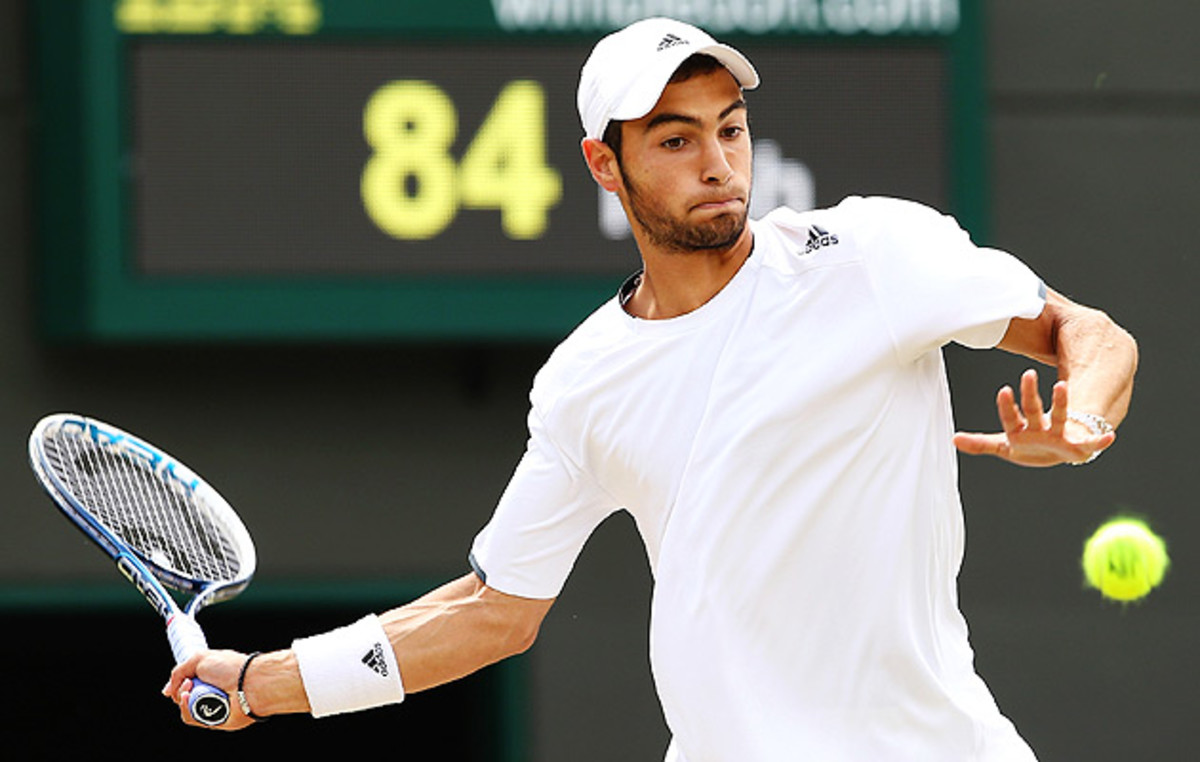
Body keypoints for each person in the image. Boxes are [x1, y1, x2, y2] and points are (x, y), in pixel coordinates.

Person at [165, 17, 1138, 761]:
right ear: (605, 165)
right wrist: (264, 681)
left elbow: (1087, 334)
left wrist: (1084, 419)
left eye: (731, 129)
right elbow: (492, 612)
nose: (719, 165)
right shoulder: (586, 383)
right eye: (675, 141)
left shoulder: (875, 255)